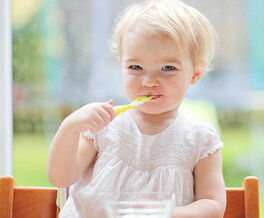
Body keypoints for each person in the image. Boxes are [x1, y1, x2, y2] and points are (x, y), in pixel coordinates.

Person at [46, 0, 226, 217]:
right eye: (136, 67)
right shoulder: (103, 126)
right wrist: (70, 128)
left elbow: (213, 205)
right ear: (121, 65)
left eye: (168, 68)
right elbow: (60, 178)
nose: (149, 81)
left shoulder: (199, 140)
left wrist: (165, 214)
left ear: (195, 74)